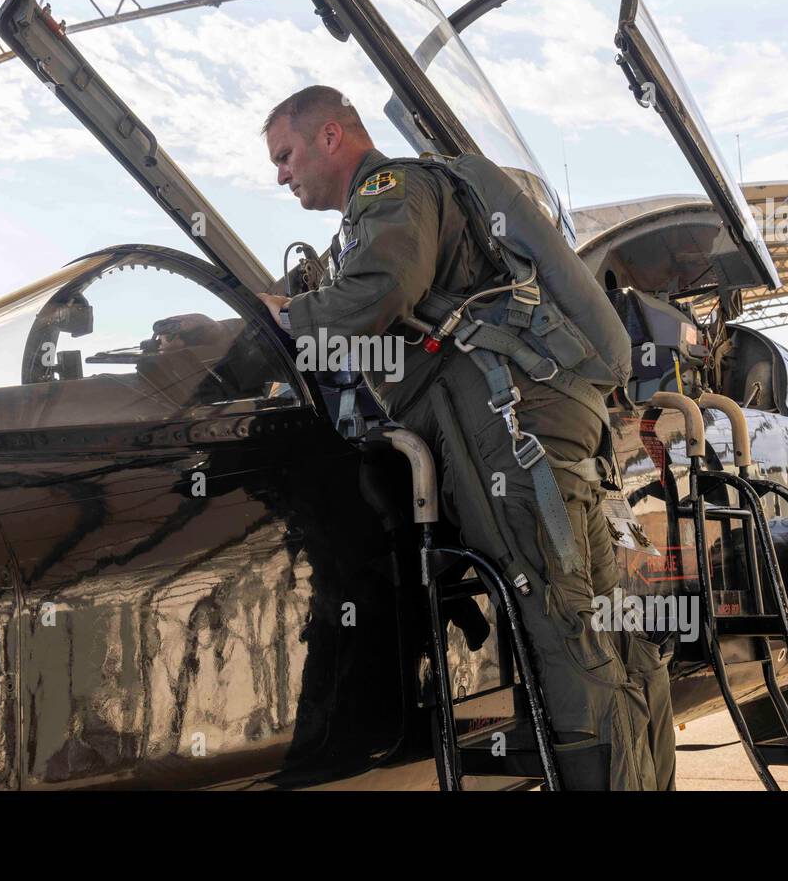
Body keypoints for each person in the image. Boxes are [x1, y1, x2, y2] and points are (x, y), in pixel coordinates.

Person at [256, 85, 669, 790]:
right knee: (605, 632)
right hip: (547, 423)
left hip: (510, 430)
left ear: (332, 136)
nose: (280, 175)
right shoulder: (394, 205)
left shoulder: (392, 190)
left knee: (562, 633)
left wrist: (286, 319)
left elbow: (380, 292)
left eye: (286, 154)